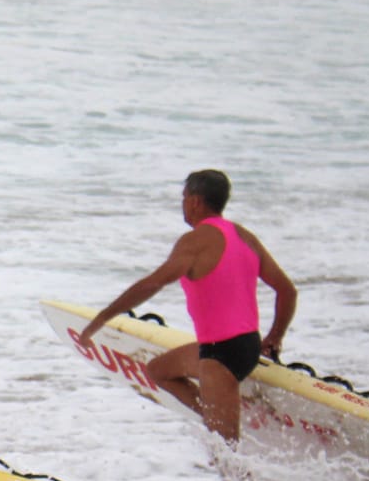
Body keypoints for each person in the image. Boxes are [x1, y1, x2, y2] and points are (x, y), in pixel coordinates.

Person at [79, 169, 297, 443]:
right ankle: (217, 412)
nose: (182, 204)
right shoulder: (244, 236)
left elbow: (151, 284)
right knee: (158, 370)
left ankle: (227, 428)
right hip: (244, 345)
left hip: (221, 356)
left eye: (183, 198)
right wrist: (275, 336)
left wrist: (100, 319)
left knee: (226, 449)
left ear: (194, 201)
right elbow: (287, 291)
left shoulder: (195, 242)